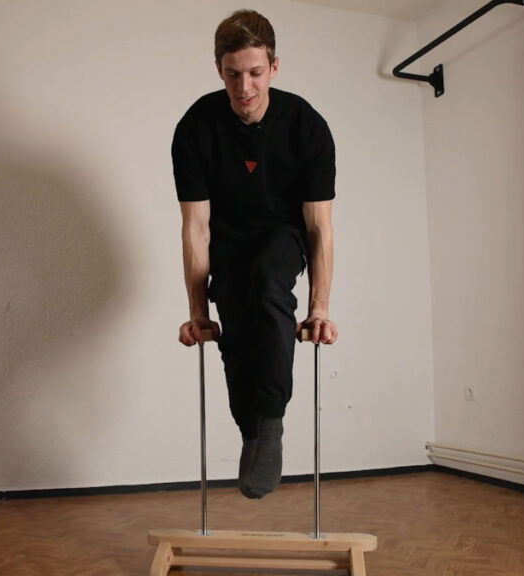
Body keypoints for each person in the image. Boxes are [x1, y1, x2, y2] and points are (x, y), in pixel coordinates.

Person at [173, 9, 338, 499]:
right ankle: (253, 429)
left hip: (281, 235)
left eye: (255, 72)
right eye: (232, 74)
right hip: (226, 241)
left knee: (267, 283)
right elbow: (195, 225)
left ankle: (269, 424)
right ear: (218, 69)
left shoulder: (306, 125)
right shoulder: (196, 126)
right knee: (239, 327)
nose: (244, 87)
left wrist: (320, 308)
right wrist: (199, 313)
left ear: (274, 66)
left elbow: (319, 227)